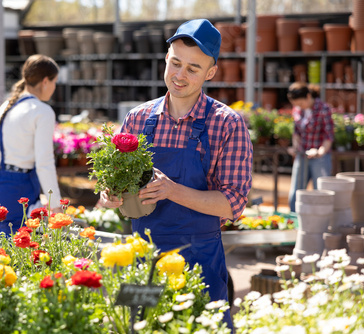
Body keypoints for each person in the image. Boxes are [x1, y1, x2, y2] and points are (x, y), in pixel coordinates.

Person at [100, 19, 253, 331]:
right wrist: (110, 193)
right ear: (165, 61)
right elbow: (112, 179)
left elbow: (233, 205)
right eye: (175, 63)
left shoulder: (227, 124)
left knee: (200, 327)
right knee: (137, 328)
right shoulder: (138, 118)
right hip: (141, 256)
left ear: (211, 72)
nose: (180, 75)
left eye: (193, 68)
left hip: (199, 260)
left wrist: (171, 190)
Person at [0, 54, 62, 235]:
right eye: (54, 82)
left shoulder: (6, 106)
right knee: (19, 255)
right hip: (19, 191)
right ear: (45, 81)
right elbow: (44, 162)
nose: (54, 87)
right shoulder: (42, 111)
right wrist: (55, 205)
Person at [286, 82, 334, 213]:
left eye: (300, 104)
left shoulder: (323, 109)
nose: (298, 107)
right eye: (296, 105)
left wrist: (319, 151)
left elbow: (328, 135)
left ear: (308, 96)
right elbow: (296, 132)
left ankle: (320, 223)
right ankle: (294, 222)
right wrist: (295, 147)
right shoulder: (297, 110)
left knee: (320, 192)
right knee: (296, 191)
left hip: (320, 158)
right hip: (302, 155)